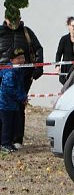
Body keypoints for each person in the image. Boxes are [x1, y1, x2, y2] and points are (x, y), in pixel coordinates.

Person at [0, 14, 43, 149]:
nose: (14, 22)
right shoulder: (1, 32)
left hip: (23, 76)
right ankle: (4, 140)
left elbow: (38, 49)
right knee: (3, 109)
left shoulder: (27, 32)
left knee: (19, 108)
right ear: (6, 19)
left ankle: (17, 139)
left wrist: (37, 69)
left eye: (16, 18)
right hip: (2, 75)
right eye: (11, 19)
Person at [0, 48, 26, 153]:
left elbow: (20, 87)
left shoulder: (18, 70)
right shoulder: (9, 73)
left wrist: (23, 96)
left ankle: (9, 143)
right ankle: (5, 144)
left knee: (14, 125)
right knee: (7, 126)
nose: (21, 60)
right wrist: (21, 98)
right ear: (12, 60)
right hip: (5, 105)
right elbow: (10, 89)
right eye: (18, 58)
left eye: (22, 58)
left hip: (13, 105)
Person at [55, 17, 74, 84]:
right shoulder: (64, 39)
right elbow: (58, 54)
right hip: (66, 69)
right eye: (73, 26)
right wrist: (57, 66)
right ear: (68, 26)